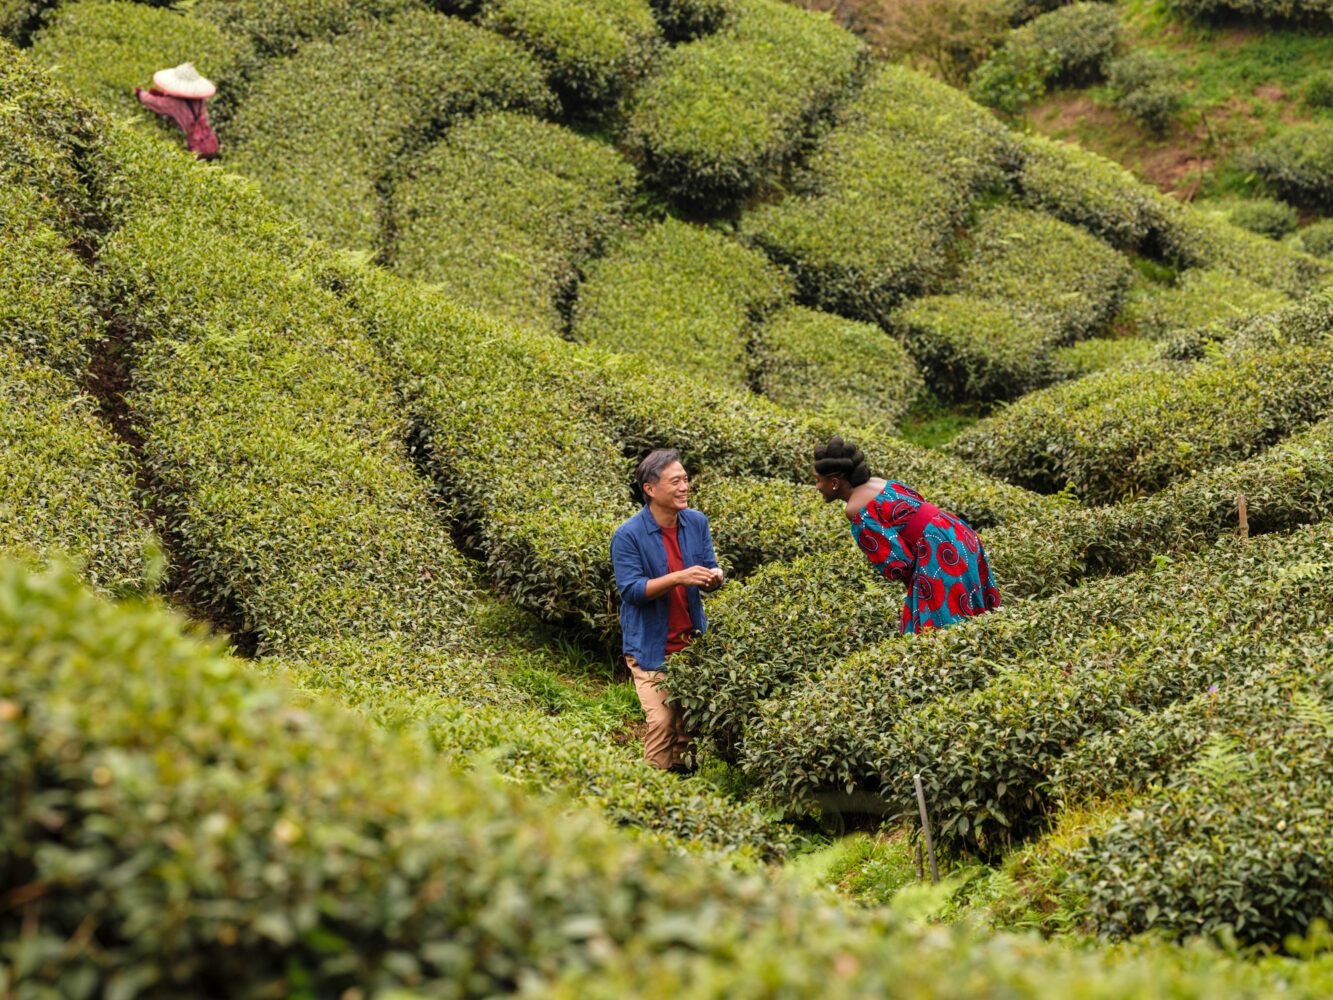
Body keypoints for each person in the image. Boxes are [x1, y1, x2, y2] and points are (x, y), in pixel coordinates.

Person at [813, 435, 1000, 634]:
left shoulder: (855, 508)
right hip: (954, 529)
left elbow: (899, 563)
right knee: (973, 610)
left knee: (941, 628)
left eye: (817, 481)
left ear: (834, 483)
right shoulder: (880, 482)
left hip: (938, 547)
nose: (816, 487)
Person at [611, 449, 724, 772]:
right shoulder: (628, 535)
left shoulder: (696, 522)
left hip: (691, 642)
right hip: (650, 645)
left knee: (688, 727)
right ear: (650, 489)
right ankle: (650, 792)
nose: (684, 487)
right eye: (675, 481)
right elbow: (632, 591)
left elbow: (710, 566)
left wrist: (713, 578)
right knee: (661, 720)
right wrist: (679, 577)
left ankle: (681, 789)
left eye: (686, 480)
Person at [134, 63, 220, 160]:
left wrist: (139, 93)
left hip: (193, 147)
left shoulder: (175, 103)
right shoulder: (200, 99)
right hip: (208, 141)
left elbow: (153, 102)